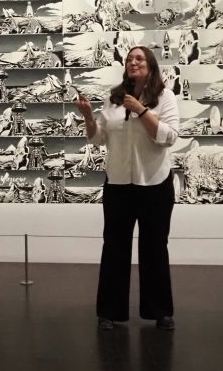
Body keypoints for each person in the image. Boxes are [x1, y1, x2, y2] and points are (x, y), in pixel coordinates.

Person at [74, 46, 180, 331]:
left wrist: (142, 110)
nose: (133, 62)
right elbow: (98, 140)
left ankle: (160, 312)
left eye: (139, 59)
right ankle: (109, 312)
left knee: (154, 247)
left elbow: (169, 137)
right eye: (129, 59)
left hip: (155, 183)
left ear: (150, 66)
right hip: (119, 184)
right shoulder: (113, 98)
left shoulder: (164, 97)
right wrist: (87, 117)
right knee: (114, 247)